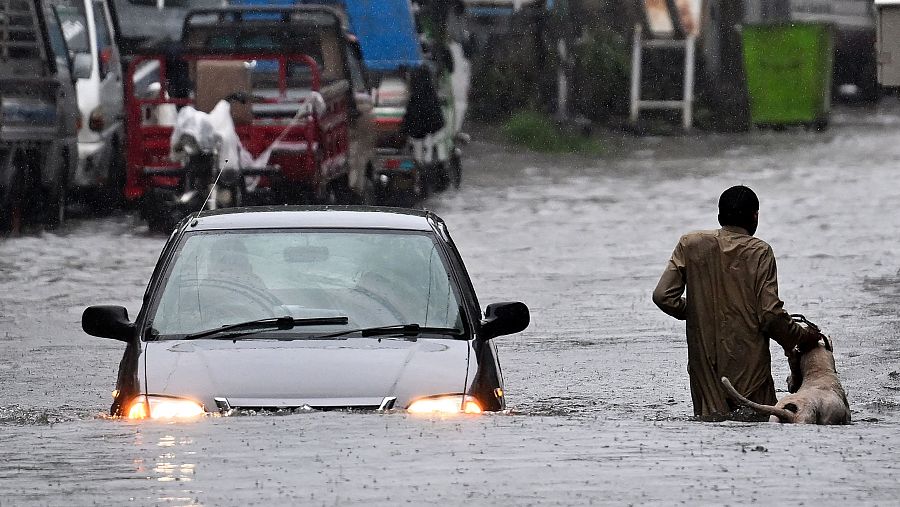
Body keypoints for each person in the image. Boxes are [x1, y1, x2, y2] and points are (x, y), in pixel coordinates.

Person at [652, 185, 822, 420]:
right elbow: (771, 316)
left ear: (720, 216)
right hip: (750, 372)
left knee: (711, 429)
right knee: (758, 425)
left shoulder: (690, 244)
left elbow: (663, 296)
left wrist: (699, 310)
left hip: (705, 372)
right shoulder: (760, 252)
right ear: (755, 217)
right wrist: (803, 337)